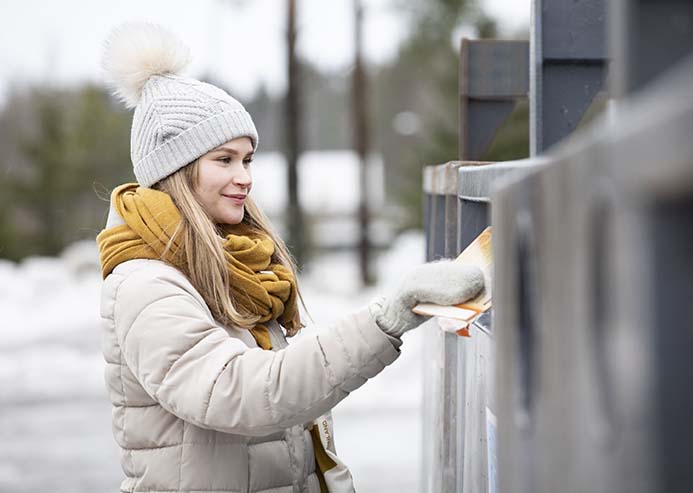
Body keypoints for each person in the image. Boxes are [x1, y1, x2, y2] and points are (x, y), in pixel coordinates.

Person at [96, 22, 484, 493]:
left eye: (248, 159)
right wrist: (387, 318)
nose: (244, 177)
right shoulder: (147, 283)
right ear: (175, 169)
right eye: (224, 160)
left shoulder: (235, 265)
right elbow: (242, 393)